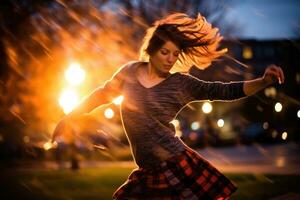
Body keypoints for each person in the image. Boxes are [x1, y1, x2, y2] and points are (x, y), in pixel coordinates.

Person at [52, 13, 284, 199]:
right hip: (147, 170)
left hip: (173, 163)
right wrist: (70, 117)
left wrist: (263, 81)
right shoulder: (129, 72)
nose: (171, 59)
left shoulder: (181, 84)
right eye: (165, 52)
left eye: (175, 54)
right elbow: (100, 96)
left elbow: (222, 90)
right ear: (151, 51)